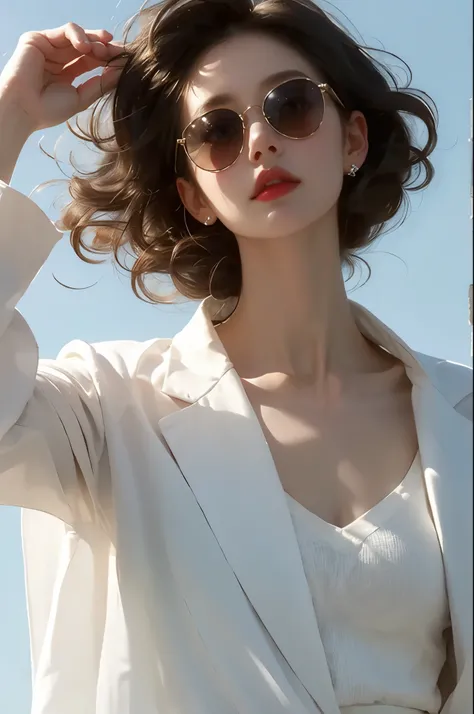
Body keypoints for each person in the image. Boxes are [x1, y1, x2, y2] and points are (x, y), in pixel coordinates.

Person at [0, 0, 471, 713]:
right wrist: (7, 122)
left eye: (291, 104)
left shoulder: (461, 413)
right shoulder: (109, 409)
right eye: (216, 130)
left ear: (351, 140)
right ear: (194, 195)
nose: (258, 140)